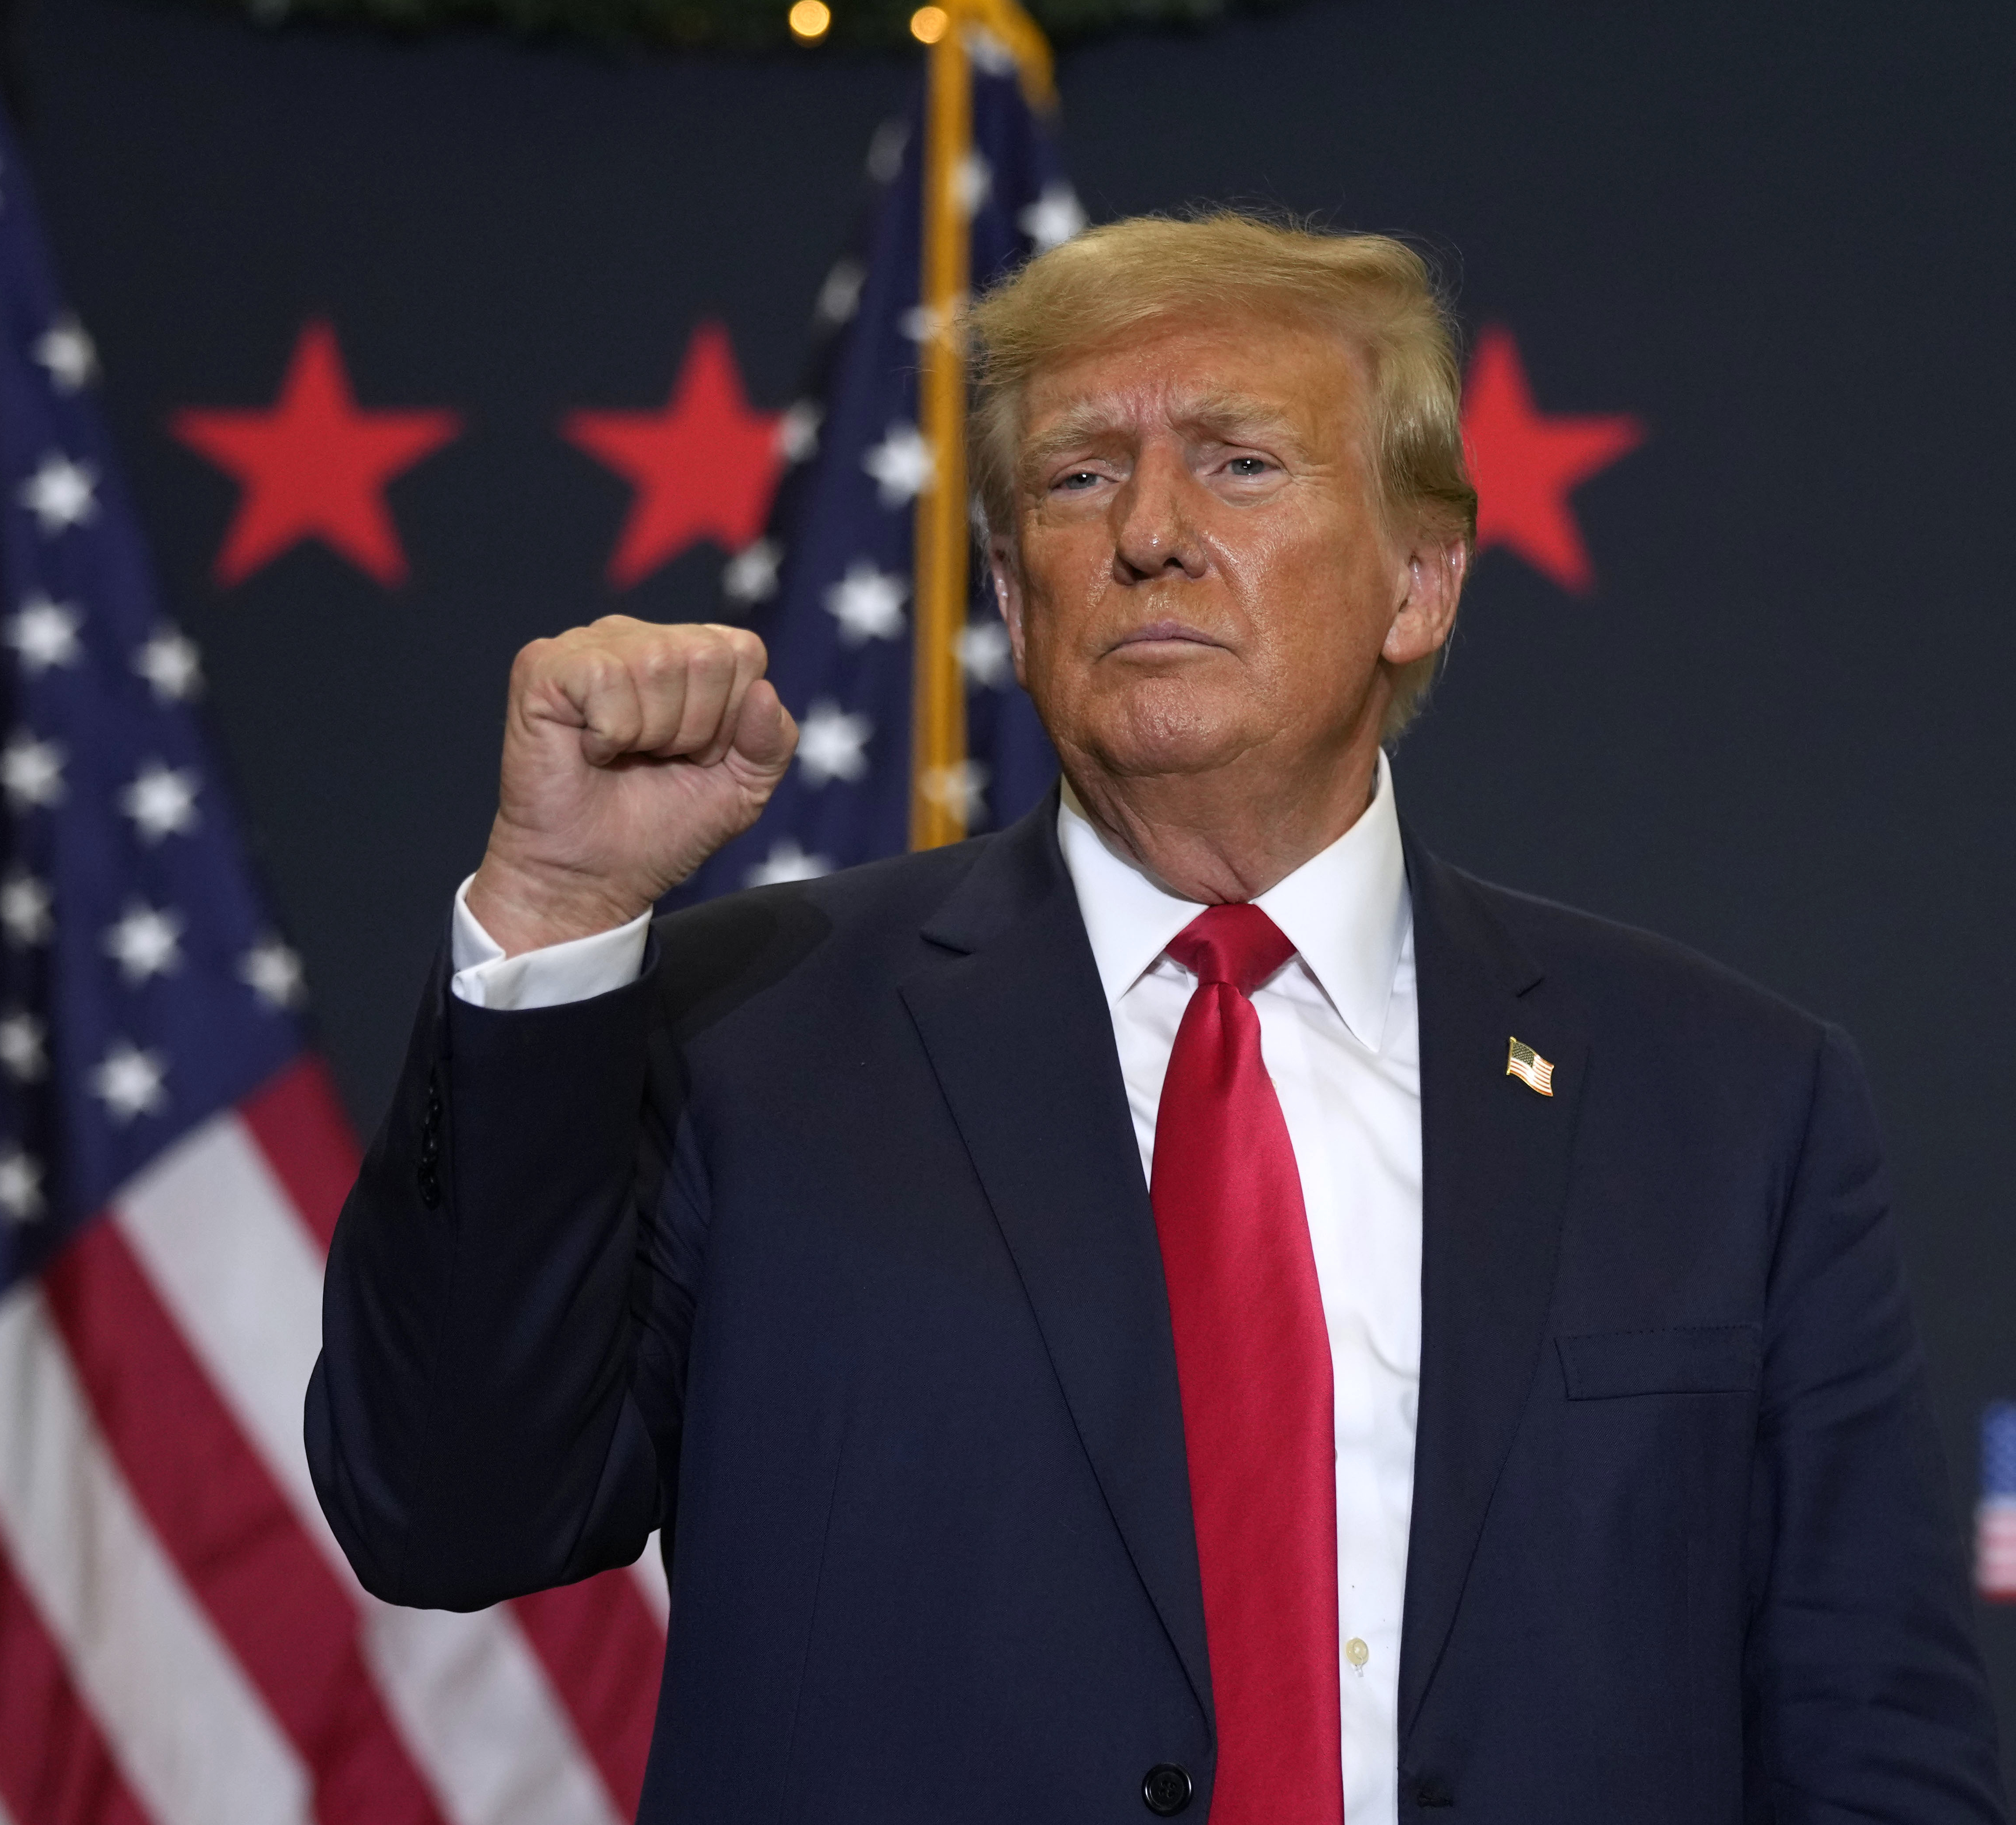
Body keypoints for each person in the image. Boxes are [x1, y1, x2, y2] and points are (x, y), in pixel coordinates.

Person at [305, 213, 2005, 1823]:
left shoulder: (1720, 1096)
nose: (1146, 530)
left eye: (1239, 462)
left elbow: (1871, 1726)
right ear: (1008, 591)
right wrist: (551, 917)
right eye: (1076, 475)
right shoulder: (742, 1035)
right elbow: (449, 1516)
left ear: (1420, 580)